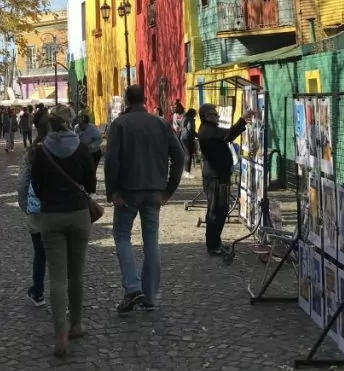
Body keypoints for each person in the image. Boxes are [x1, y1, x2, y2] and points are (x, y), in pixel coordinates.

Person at [105, 84, 185, 314]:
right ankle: (150, 296)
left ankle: (132, 286)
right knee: (151, 241)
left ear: (127, 101)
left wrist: (113, 192)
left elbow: (112, 161)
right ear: (145, 99)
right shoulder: (161, 123)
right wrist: (169, 189)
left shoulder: (120, 124)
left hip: (128, 190)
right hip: (154, 191)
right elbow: (179, 156)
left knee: (122, 236)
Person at [31, 104, 96, 357]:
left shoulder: (41, 151)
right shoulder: (80, 149)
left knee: (56, 277)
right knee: (76, 273)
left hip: (51, 216)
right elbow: (90, 184)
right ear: (70, 123)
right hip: (79, 214)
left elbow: (36, 188)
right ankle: (76, 324)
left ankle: (60, 335)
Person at [198, 102, 254, 255]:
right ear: (207, 116)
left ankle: (215, 242)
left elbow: (227, 135)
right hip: (215, 176)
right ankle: (213, 245)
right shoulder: (207, 130)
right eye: (215, 114)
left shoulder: (209, 129)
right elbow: (229, 134)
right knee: (217, 210)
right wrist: (242, 120)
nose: (217, 116)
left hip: (218, 174)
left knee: (218, 209)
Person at [17, 118, 49, 306]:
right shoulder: (71, 147)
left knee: (40, 253)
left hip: (38, 209)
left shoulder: (32, 153)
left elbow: (22, 182)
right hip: (64, 207)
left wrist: (24, 204)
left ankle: (38, 291)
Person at [179, 108, 198, 174]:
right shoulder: (190, 119)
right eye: (195, 113)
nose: (196, 114)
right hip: (188, 138)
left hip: (183, 137)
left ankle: (186, 171)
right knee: (188, 154)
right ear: (193, 113)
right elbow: (190, 129)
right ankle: (187, 172)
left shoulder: (184, 118)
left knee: (186, 154)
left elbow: (181, 126)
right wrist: (197, 135)